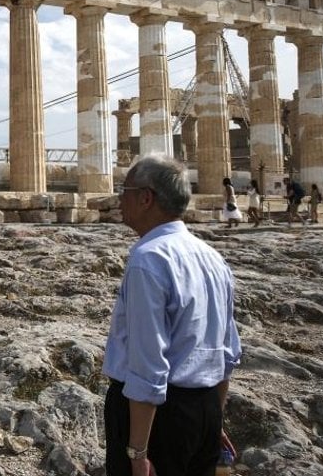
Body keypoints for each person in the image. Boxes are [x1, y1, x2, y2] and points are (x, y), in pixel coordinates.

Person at [105, 154, 241, 476]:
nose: (118, 199)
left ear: (146, 198)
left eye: (124, 190)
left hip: (159, 420)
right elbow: (227, 353)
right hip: (204, 408)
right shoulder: (212, 258)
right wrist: (214, 420)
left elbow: (148, 364)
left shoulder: (148, 260)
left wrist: (138, 452)